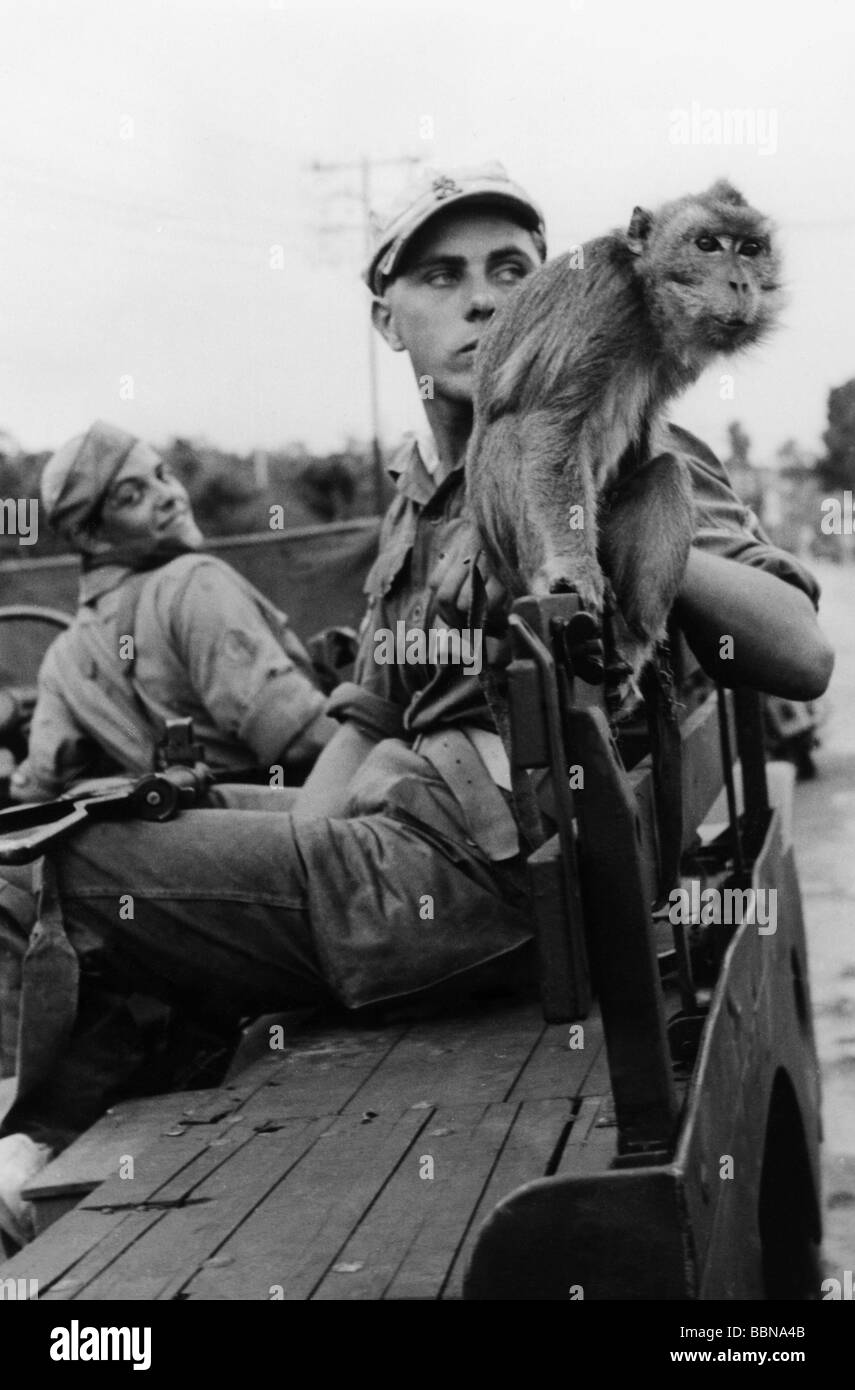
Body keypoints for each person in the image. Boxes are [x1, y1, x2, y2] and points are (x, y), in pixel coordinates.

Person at [0, 163, 834, 1246]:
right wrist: (289, 860)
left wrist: (612, 538)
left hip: (495, 873)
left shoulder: (631, 440)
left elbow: (801, 653)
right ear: (387, 320)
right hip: (401, 837)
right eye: (443, 276)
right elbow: (372, 715)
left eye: (511, 271)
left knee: (61, 862)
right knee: (103, 816)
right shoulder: (418, 493)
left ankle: (24, 1161)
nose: (485, 301)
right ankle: (43, 1160)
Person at [9, 421, 336, 802]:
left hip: (174, 849)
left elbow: (39, 788)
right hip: (288, 830)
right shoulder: (193, 583)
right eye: (132, 496)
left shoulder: (62, 660)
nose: (167, 495)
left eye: (162, 475)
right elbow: (299, 739)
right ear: (90, 536)